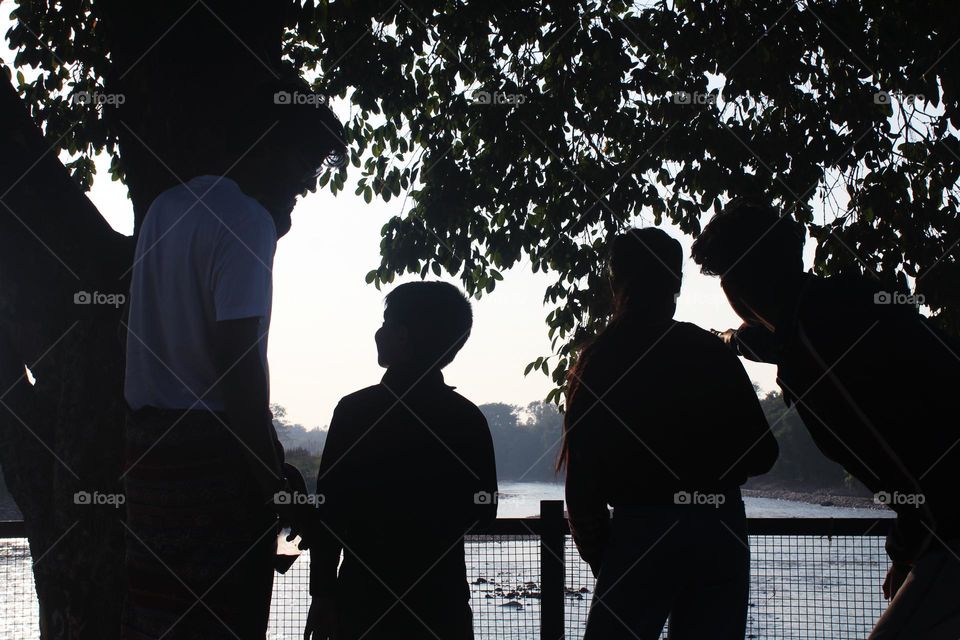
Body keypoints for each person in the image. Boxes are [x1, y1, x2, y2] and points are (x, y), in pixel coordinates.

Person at [120, 79, 344, 640]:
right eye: (304, 162)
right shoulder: (246, 221)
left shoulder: (163, 210)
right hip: (211, 468)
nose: (307, 183)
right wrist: (272, 483)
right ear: (264, 144)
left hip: (147, 461)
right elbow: (239, 374)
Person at [691, 201, 960, 639]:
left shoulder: (816, 354)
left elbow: (917, 463)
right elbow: (772, 339)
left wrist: (909, 548)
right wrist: (729, 340)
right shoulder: (840, 306)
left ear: (735, 289)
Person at [561, 228, 778, 640]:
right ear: (676, 281)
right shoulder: (711, 353)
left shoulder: (599, 363)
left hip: (639, 526)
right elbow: (763, 453)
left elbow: (583, 487)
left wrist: (608, 560)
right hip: (720, 526)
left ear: (614, 281)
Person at [304, 281, 498, 640]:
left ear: (402, 336)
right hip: (443, 603)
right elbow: (483, 513)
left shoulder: (354, 412)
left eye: (385, 323)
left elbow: (329, 514)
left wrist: (323, 595)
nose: (378, 333)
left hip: (362, 602)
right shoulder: (467, 419)